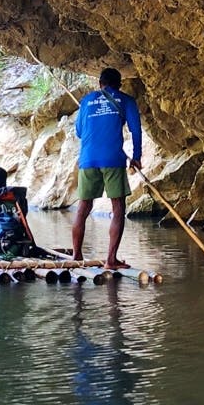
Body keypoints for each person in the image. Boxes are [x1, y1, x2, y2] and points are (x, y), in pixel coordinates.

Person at [70, 68, 142, 270]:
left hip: (88, 159)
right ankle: (111, 260)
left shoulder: (86, 100)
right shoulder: (126, 100)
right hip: (113, 159)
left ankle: (76, 255)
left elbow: (79, 132)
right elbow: (136, 131)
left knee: (83, 207)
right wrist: (136, 157)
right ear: (119, 85)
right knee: (118, 207)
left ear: (100, 84)